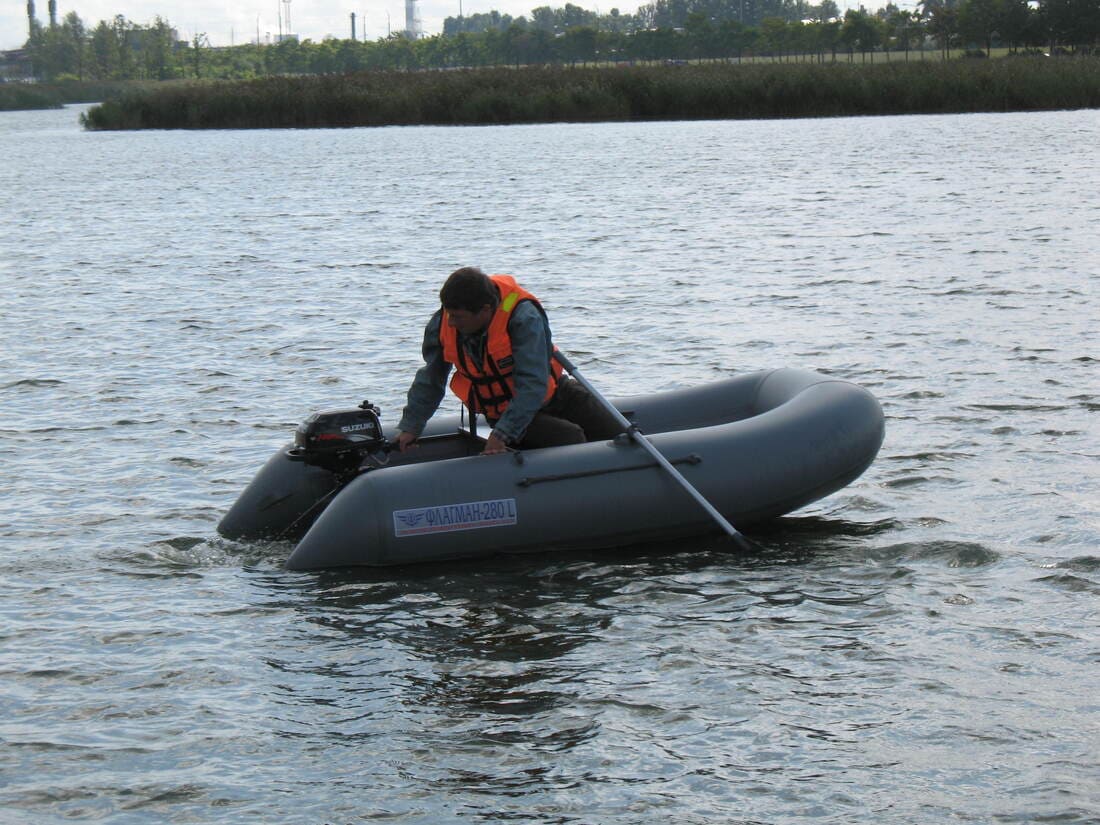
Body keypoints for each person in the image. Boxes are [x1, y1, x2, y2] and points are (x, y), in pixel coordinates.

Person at [395, 267, 623, 455]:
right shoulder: (442, 324)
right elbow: (431, 380)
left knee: (619, 431)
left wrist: (502, 434)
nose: (451, 322)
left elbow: (532, 383)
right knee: (571, 437)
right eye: (448, 314)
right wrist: (412, 426)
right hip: (505, 411)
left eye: (458, 317)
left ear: (485, 310)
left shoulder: (523, 317)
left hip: (552, 392)